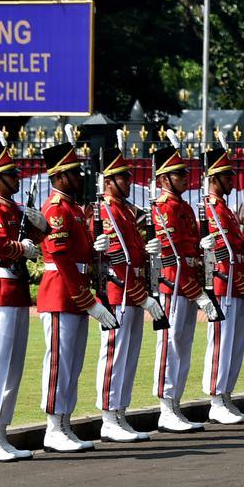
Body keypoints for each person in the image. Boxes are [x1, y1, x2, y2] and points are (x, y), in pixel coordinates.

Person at [37, 138, 118, 453]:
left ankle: (65, 424)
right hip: (62, 292)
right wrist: (88, 300)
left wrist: (99, 252)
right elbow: (61, 258)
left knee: (73, 363)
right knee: (59, 362)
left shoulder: (74, 208)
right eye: (72, 171)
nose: (79, 175)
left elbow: (82, 255)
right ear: (58, 176)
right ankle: (53, 427)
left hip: (76, 292)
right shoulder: (56, 209)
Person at [0, 134, 44, 462]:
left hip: (18, 293)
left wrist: (37, 224)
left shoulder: (15, 208)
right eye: (12, 175)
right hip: (0, 292)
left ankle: (1, 431)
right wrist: (23, 248)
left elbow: (40, 235)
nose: (17, 179)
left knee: (13, 366)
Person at [91, 144, 166, 442]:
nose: (129, 181)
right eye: (123, 177)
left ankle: (120, 412)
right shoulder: (107, 211)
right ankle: (108, 417)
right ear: (108, 181)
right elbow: (117, 260)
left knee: (129, 355)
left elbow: (134, 256)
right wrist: (141, 295)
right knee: (114, 354)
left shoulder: (126, 211)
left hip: (132, 291)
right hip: (118, 293)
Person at [149, 141, 218, 433]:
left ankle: (174, 403)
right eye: (178, 174)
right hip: (173, 285)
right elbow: (172, 253)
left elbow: (190, 251)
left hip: (188, 282)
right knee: (170, 346)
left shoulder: (185, 207)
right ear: (164, 179)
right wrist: (196, 291)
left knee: (184, 346)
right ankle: (166, 407)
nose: (185, 178)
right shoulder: (164, 208)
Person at [198, 147, 244, 425]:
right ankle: (216, 400)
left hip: (236, 286)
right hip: (223, 286)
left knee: (235, 345)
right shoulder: (211, 208)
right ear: (215, 177)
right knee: (221, 345)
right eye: (228, 175)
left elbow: (238, 246)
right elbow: (221, 254)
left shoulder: (224, 209)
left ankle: (225, 396)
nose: (232, 181)